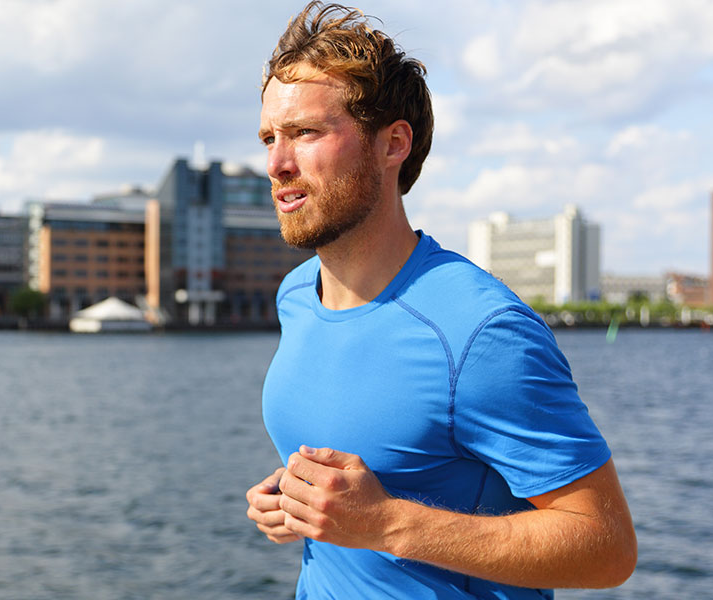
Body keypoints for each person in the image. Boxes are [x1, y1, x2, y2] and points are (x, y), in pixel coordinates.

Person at [245, 2, 637, 598]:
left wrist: (385, 524)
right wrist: (298, 500)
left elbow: (605, 548)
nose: (276, 163)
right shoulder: (297, 294)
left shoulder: (481, 331)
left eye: (306, 132)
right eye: (270, 136)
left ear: (393, 143)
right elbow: (388, 458)